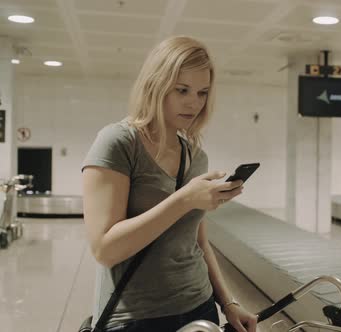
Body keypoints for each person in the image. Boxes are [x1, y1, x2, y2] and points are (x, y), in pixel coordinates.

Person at [81, 36, 257, 332]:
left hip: (199, 306)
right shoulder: (119, 143)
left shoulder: (195, 156)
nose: (194, 103)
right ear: (156, 84)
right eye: (182, 90)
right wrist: (185, 199)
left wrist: (228, 303)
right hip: (136, 316)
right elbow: (104, 249)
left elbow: (198, 242)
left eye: (202, 92)